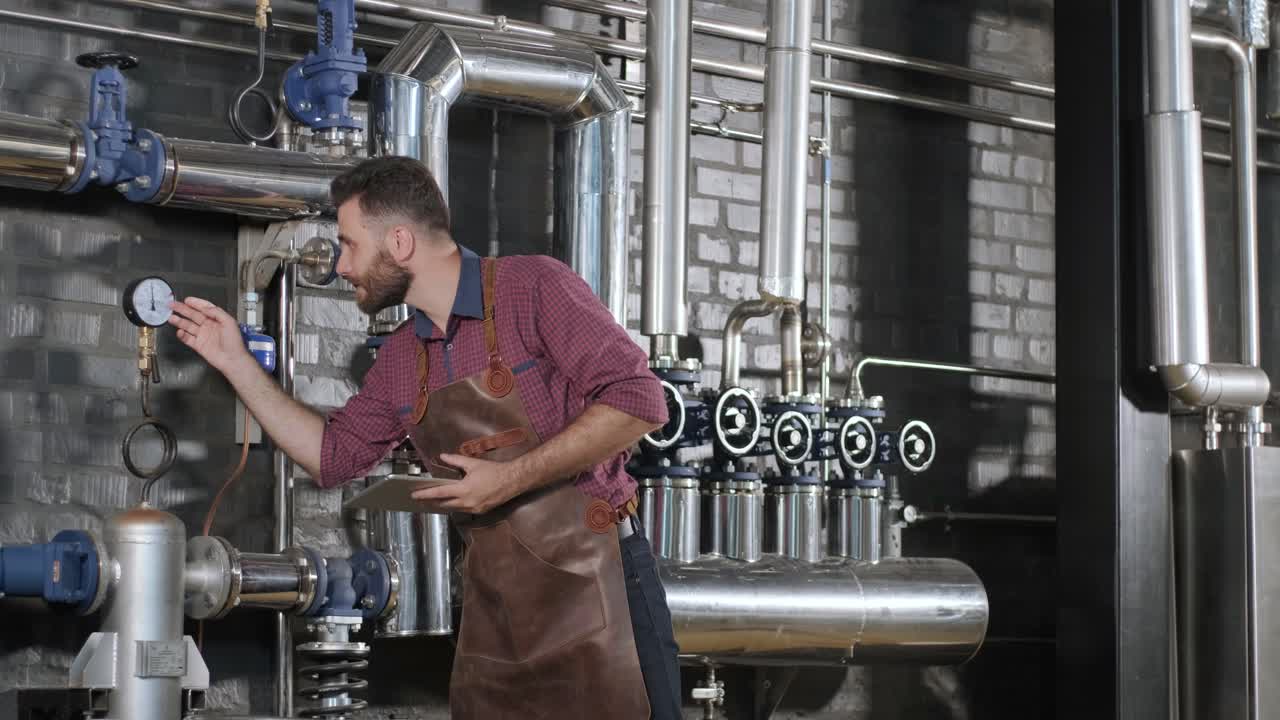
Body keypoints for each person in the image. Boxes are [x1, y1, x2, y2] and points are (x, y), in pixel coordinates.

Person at [168, 156, 683, 719]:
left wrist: (507, 480)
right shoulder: (401, 358)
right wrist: (237, 364)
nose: (342, 266)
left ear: (400, 241)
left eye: (349, 245)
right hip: (498, 613)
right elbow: (333, 457)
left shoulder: (531, 287)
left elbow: (639, 401)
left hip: (599, 587)